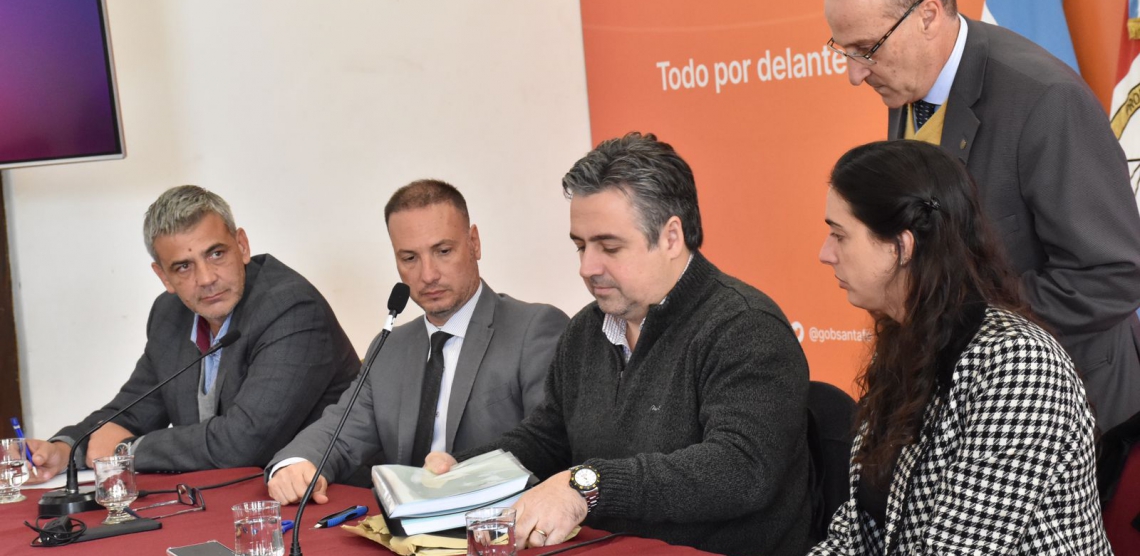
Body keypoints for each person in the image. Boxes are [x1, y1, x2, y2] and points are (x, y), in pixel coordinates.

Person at [426, 134, 811, 556]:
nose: (587, 267)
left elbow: (741, 470)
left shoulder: (746, 327)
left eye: (609, 247)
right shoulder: (585, 331)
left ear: (671, 237)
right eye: (580, 246)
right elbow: (548, 439)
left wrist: (587, 485)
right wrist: (466, 471)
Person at [822, 0, 1140, 432]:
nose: (855, 75)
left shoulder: (1046, 101)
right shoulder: (908, 81)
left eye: (867, 49)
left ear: (928, 15)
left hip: (1072, 414)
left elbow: (1114, 274)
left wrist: (962, 318)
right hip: (967, 405)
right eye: (844, 51)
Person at [814, 140, 1111, 554]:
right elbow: (858, 534)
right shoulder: (905, 342)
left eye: (839, 235)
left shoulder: (1018, 367)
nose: (825, 253)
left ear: (902, 247)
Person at [266, 179, 567, 504]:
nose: (428, 275)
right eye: (410, 258)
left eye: (443, 251)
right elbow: (340, 431)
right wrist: (297, 464)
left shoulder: (533, 329)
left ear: (474, 243)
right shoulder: (390, 347)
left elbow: (552, 447)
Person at [27, 185, 361, 478]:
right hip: (230, 497)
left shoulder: (291, 309)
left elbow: (245, 441)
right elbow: (135, 409)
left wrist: (127, 452)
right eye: (184, 267)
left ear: (242, 245)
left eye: (216, 254)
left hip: (328, 500)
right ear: (164, 277)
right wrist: (65, 449)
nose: (206, 278)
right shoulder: (171, 313)